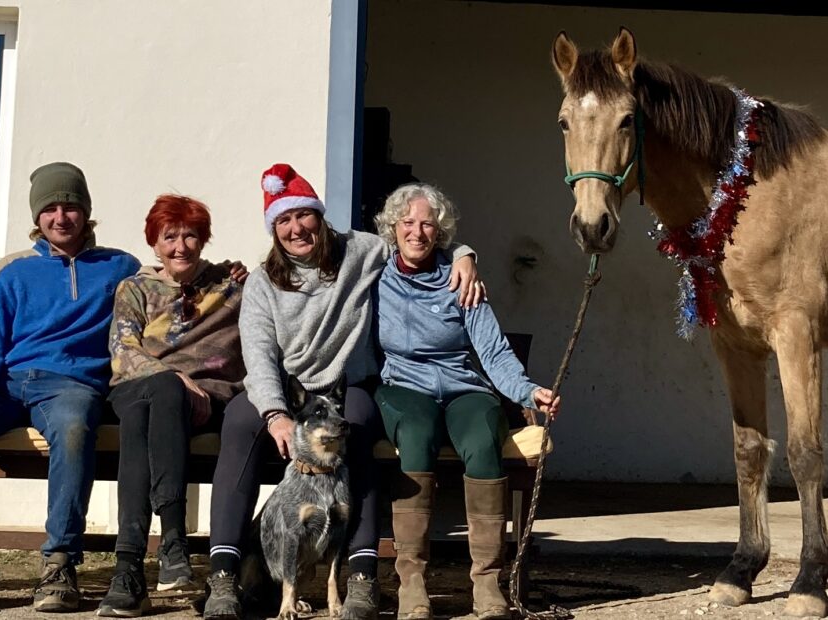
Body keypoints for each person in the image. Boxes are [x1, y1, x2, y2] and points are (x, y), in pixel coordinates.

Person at [202, 163, 483, 620]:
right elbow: (257, 357)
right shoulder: (261, 283)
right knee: (237, 425)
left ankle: (361, 578)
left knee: (356, 430)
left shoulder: (361, 250)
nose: (296, 229)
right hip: (288, 394)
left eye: (303, 216)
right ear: (274, 229)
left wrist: (465, 253)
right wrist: (276, 415)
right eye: (283, 221)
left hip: (346, 387)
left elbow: (416, 239)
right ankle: (223, 575)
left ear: (319, 215)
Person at [0, 162, 141, 613]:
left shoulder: (120, 267)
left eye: (70, 206)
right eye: (50, 208)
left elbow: (160, 302)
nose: (60, 217)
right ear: (37, 217)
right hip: (4, 383)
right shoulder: (10, 270)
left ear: (86, 212)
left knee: (72, 427)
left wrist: (222, 276)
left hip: (71, 384)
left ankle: (60, 561)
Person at [372, 183, 561, 620]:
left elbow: (491, 350)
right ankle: (412, 583)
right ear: (392, 228)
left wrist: (528, 391)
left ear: (440, 233)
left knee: (481, 437)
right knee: (416, 435)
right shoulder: (375, 274)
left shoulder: (460, 279)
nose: (417, 232)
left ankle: (487, 584)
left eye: (427, 224)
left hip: (463, 386)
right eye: (408, 222)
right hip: (404, 385)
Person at [97, 194, 247, 617]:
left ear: (204, 240)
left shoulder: (230, 285)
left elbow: (285, 277)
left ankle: (127, 572)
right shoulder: (135, 288)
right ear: (154, 242)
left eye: (191, 236)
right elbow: (122, 349)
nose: (180, 246)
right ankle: (173, 541)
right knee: (160, 393)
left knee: (148, 415)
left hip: (205, 401)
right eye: (170, 237)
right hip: (138, 387)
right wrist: (173, 377)